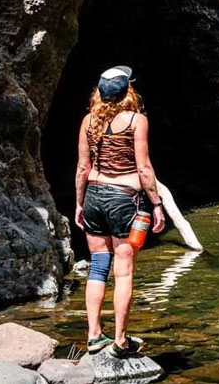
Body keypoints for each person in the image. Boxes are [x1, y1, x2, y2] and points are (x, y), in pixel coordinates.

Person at [74, 65, 165, 357]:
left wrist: (79, 202)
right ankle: (120, 340)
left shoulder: (89, 121)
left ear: (99, 93)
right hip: (124, 198)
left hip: (94, 197)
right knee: (123, 273)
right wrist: (157, 204)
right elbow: (144, 168)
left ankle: (93, 335)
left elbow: (82, 169)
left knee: (98, 265)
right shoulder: (137, 121)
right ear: (128, 91)